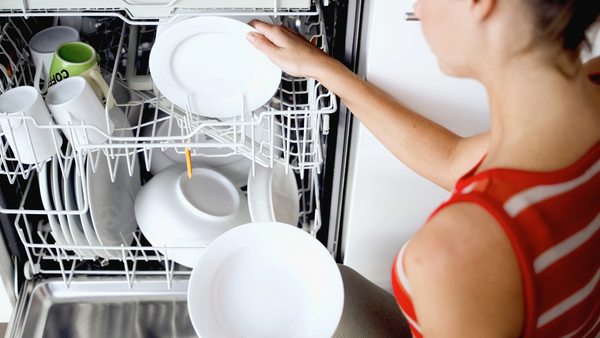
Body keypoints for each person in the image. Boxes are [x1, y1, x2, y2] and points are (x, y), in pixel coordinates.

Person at [246, 0, 600, 337]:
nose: (416, 9)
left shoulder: (457, 252)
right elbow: (452, 159)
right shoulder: (588, 87)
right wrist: (321, 68)